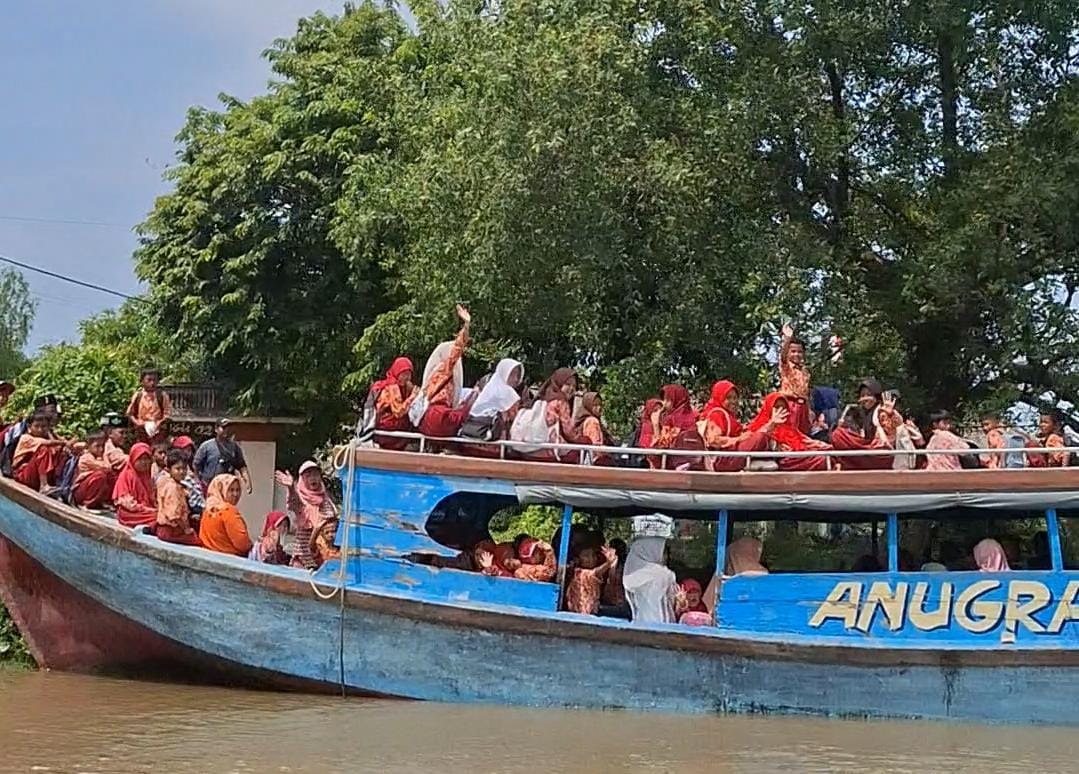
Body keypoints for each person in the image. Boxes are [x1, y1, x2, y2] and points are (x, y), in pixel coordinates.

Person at [415, 305, 479, 438]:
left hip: (428, 418)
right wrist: (467, 325)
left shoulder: (432, 373)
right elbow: (457, 350)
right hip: (440, 416)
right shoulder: (444, 371)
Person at [510, 368, 589, 462]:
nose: (571, 389)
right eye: (568, 384)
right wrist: (584, 439)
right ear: (558, 383)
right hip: (548, 452)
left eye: (574, 386)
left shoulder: (542, 399)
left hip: (526, 450)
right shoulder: (560, 402)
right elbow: (569, 432)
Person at [275, 460, 338, 570]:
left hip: (323, 560)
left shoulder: (326, 500)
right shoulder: (301, 499)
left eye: (315, 475)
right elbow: (294, 501)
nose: (313, 478)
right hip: (303, 560)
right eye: (308, 476)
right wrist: (291, 487)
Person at [746, 393, 832, 471]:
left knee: (825, 456)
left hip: (796, 457)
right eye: (777, 408)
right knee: (821, 460)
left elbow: (804, 441)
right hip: (781, 460)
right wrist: (772, 424)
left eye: (783, 408)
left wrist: (823, 446)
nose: (780, 411)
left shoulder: (789, 427)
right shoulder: (759, 425)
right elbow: (756, 440)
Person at [698, 380, 771, 472]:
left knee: (761, 436)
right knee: (760, 437)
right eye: (728, 398)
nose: (733, 401)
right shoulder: (717, 414)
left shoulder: (728, 415)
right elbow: (713, 440)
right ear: (719, 397)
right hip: (721, 460)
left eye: (735, 398)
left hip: (729, 456)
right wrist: (739, 439)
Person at [623, 514, 681, 624]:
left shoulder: (631, 573)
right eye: (662, 550)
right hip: (662, 625)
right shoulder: (664, 575)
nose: (664, 556)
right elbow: (674, 603)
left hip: (639, 624)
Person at [461, 358, 524, 441]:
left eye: (518, 375)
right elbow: (515, 419)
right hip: (493, 437)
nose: (516, 379)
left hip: (472, 432)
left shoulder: (489, 389)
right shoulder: (509, 394)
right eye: (512, 374)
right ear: (504, 373)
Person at [12, 412, 70, 491]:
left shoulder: (50, 437)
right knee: (43, 449)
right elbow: (47, 443)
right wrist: (65, 442)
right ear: (29, 427)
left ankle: (58, 484)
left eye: (44, 426)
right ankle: (44, 485)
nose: (40, 430)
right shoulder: (26, 438)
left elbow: (57, 448)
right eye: (36, 426)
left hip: (38, 477)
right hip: (23, 475)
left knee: (63, 453)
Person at [370, 356, 418, 451]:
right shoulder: (392, 387)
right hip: (386, 427)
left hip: (393, 427)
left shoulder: (404, 386)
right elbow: (398, 412)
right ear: (397, 373)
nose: (407, 378)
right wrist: (412, 397)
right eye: (403, 375)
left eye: (408, 375)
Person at [198, 474, 253, 556]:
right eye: (231, 490)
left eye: (238, 490)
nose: (235, 494)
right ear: (221, 490)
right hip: (228, 558)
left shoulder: (208, 508)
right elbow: (242, 543)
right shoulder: (228, 510)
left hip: (206, 555)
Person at [155, 449, 201, 546]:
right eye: (177, 469)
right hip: (171, 530)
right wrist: (186, 529)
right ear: (169, 470)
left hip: (166, 528)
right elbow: (174, 516)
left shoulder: (169, 482)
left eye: (184, 469)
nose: (182, 472)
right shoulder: (173, 488)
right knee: (198, 542)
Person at [193, 419, 252, 493]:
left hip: (227, 487)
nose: (226, 430)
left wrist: (248, 483)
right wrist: (198, 483)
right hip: (209, 487)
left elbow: (242, 466)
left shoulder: (234, 447)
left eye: (228, 428)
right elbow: (196, 465)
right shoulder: (206, 446)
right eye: (223, 428)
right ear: (216, 429)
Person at [829, 405, 895, 470]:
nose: (885, 423)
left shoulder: (838, 435)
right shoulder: (841, 435)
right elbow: (887, 453)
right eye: (882, 420)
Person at [112, 443, 157, 528]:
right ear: (133, 459)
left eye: (146, 459)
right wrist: (147, 509)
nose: (144, 462)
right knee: (158, 518)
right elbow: (127, 503)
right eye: (140, 459)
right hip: (131, 512)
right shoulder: (127, 476)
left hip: (146, 510)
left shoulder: (148, 476)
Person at [779, 322, 812, 434]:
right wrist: (788, 338)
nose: (796, 354)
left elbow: (806, 392)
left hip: (803, 405)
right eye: (793, 351)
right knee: (789, 432)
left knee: (803, 433)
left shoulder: (804, 371)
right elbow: (783, 356)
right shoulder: (786, 367)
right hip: (790, 404)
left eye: (799, 352)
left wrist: (809, 409)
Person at [566, 545, 618, 615]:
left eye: (593, 555)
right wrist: (608, 563)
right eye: (586, 556)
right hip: (581, 614)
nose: (591, 558)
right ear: (577, 559)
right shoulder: (579, 573)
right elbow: (595, 573)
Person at [125, 367, 172, 442]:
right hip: (141, 431)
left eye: (155, 380)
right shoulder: (138, 396)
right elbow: (129, 414)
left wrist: (159, 423)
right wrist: (137, 423)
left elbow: (167, 414)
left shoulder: (162, 396)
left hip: (157, 431)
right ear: (142, 381)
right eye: (149, 380)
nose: (152, 383)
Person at [72, 433, 116, 509]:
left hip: (88, 489)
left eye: (102, 446)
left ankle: (102, 501)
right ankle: (88, 503)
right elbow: (107, 467)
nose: (101, 449)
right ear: (89, 447)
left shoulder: (97, 457)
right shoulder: (86, 458)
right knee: (100, 476)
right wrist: (105, 455)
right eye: (97, 446)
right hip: (80, 492)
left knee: (111, 476)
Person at [574, 392, 615, 465]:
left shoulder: (584, 419)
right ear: (588, 406)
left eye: (600, 405)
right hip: (595, 462)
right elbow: (596, 446)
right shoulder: (592, 421)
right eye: (595, 405)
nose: (599, 408)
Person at [171, 436, 205, 517]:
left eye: (189, 450)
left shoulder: (191, 466)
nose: (187, 452)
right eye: (184, 449)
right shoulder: (173, 469)